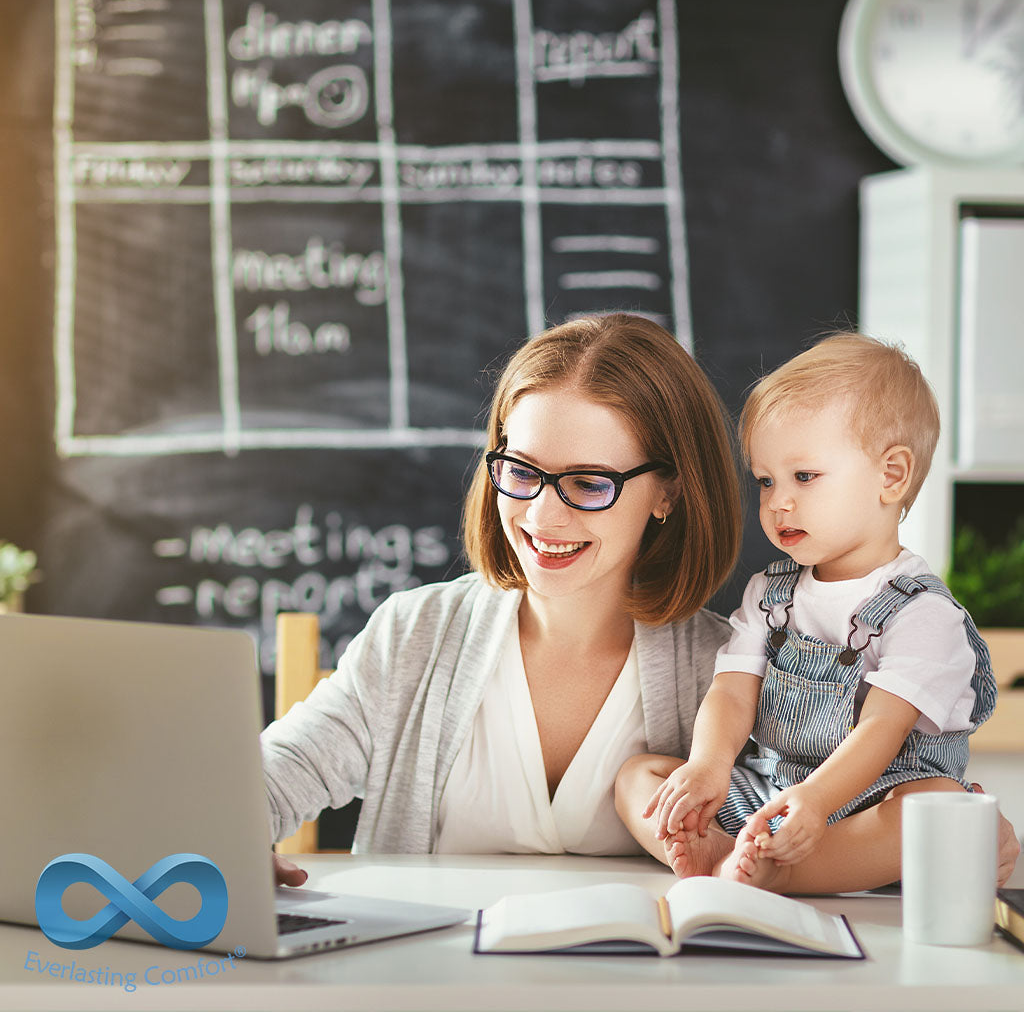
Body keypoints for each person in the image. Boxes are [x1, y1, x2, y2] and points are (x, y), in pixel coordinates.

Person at [264, 312, 744, 886]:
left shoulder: (732, 674)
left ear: (669, 491)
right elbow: (280, 771)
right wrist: (225, 833)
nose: (542, 516)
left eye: (589, 483)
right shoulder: (415, 633)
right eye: (521, 471)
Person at [616, 332, 1017, 892]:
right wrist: (707, 767)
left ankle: (777, 872)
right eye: (765, 480)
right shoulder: (769, 592)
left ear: (891, 476)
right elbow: (732, 692)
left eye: (804, 477)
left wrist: (816, 801)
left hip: (869, 805)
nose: (778, 501)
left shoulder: (924, 614)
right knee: (642, 776)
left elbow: (880, 729)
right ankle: (730, 853)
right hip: (774, 792)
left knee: (940, 805)